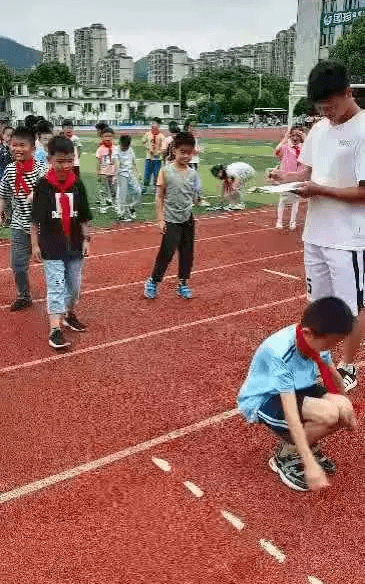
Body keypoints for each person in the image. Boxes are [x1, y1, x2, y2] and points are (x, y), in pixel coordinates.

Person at [269, 60, 365, 392]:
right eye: (321, 108)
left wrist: (318, 190)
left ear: (348, 92)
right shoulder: (320, 129)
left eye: (332, 106)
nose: (328, 113)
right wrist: (285, 179)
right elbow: (305, 176)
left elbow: (363, 193)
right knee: (317, 302)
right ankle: (318, 360)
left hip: (350, 238)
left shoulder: (364, 131)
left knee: (352, 306)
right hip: (316, 233)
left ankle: (349, 365)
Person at [238, 297, 356, 492]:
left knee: (343, 410)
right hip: (265, 398)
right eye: (330, 343)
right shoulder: (280, 352)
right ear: (308, 333)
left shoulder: (317, 339)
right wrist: (310, 465)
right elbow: (292, 414)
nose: (330, 348)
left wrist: (347, 405)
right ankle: (286, 456)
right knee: (329, 414)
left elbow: (333, 374)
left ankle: (305, 446)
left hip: (299, 388)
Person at [31, 136, 92, 349]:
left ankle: (68, 313)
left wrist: (86, 239)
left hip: (74, 244)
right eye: (60, 161)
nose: (66, 166)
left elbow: (84, 215)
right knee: (56, 286)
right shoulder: (43, 186)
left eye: (70, 160)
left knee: (74, 286)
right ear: (50, 160)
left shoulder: (78, 184)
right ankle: (55, 329)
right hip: (51, 245)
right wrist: (35, 245)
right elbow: (35, 219)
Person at [144, 132, 201, 300]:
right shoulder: (166, 171)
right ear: (174, 150)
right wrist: (160, 219)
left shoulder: (193, 174)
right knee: (167, 252)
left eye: (189, 152)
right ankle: (153, 282)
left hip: (187, 219)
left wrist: (198, 197)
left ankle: (182, 283)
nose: (186, 155)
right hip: (171, 219)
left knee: (187, 252)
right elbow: (159, 196)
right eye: (182, 151)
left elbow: (196, 199)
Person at [0, 126, 43, 311]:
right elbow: (3, 194)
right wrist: (1, 212)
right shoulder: (10, 170)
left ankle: (61, 297)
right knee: (17, 265)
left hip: (42, 228)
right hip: (19, 225)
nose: (17, 148)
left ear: (32, 148)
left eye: (22, 145)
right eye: (14, 144)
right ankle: (24, 295)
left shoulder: (42, 171)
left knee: (51, 265)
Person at [274, 126, 304, 231]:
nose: (295, 138)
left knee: (295, 200)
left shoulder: (304, 148)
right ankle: (279, 221)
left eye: (298, 135)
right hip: (285, 177)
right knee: (283, 199)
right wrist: (285, 137)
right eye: (293, 135)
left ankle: (293, 222)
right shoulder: (286, 147)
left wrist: (305, 139)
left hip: (298, 177)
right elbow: (277, 150)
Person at [115, 134, 141, 221]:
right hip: (122, 174)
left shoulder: (130, 150)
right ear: (120, 143)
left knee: (137, 191)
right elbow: (117, 163)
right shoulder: (116, 150)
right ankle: (122, 214)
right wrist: (116, 175)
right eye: (123, 146)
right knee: (123, 195)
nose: (124, 148)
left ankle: (131, 207)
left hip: (130, 173)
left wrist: (138, 172)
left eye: (126, 147)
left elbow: (134, 161)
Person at [95, 126, 117, 214]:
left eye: (110, 136)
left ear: (113, 137)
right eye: (105, 136)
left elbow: (118, 162)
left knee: (114, 190)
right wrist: (98, 173)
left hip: (113, 174)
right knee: (103, 191)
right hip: (104, 173)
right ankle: (103, 206)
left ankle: (115, 205)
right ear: (102, 138)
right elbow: (98, 162)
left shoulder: (116, 149)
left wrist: (117, 173)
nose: (108, 138)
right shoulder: (100, 149)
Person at [142, 117, 164, 194]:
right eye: (152, 123)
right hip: (149, 157)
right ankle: (145, 187)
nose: (152, 125)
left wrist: (158, 152)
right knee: (147, 173)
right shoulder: (147, 134)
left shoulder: (161, 136)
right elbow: (143, 143)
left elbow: (163, 147)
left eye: (154, 124)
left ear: (158, 125)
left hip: (157, 159)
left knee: (156, 173)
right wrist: (148, 148)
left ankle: (155, 188)